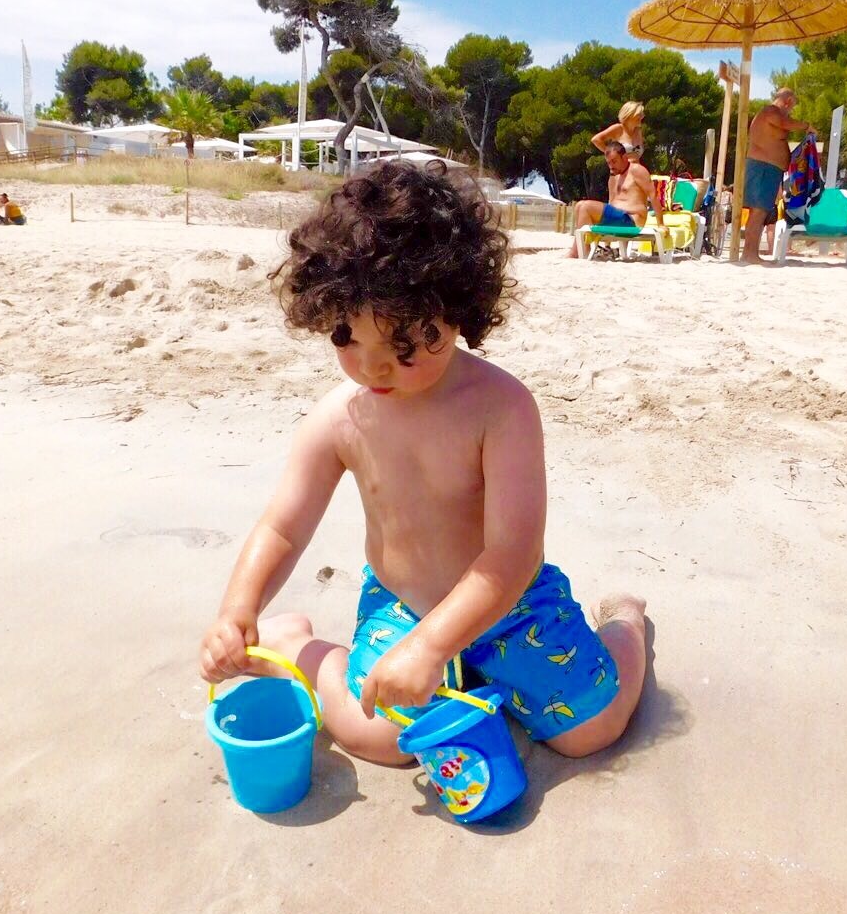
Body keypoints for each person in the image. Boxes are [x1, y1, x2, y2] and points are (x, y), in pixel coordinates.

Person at [198, 161, 649, 765]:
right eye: (346, 337)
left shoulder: (501, 408)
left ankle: (625, 624)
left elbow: (513, 553)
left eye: (403, 344)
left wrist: (437, 646)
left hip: (508, 606)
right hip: (402, 604)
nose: (372, 366)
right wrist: (238, 609)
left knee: (591, 731)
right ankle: (295, 645)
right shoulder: (339, 418)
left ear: (459, 309)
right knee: (379, 738)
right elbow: (282, 527)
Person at [743, 87, 813, 263]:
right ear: (788, 101)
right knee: (758, 211)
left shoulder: (774, 114)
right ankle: (749, 254)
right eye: (792, 107)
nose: (791, 111)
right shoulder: (770, 112)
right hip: (763, 166)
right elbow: (784, 123)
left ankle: (751, 253)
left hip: (770, 169)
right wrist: (806, 126)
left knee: (761, 212)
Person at [565, 142, 659, 258]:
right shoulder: (615, 176)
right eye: (609, 163)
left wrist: (661, 224)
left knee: (585, 207)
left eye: (614, 161)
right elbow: (612, 201)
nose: (611, 166)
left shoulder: (637, 171)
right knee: (579, 206)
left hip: (632, 221)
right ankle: (581, 248)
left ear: (624, 157)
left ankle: (579, 251)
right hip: (618, 218)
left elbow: (653, 195)